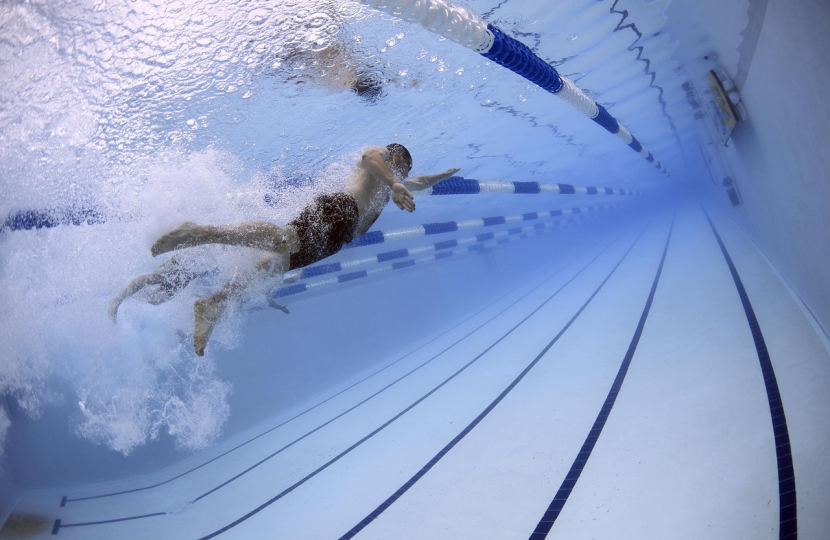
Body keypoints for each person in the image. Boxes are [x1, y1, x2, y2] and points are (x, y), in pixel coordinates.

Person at [139, 144, 460, 356]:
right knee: (282, 240)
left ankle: (213, 303)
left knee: (272, 267)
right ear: (393, 157)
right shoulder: (381, 161)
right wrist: (394, 184)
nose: (401, 175)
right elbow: (368, 159)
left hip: (338, 238)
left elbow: (417, 181)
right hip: (340, 209)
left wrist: (441, 176)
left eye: (402, 173)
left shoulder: (397, 180)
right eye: (399, 167)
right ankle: (199, 232)